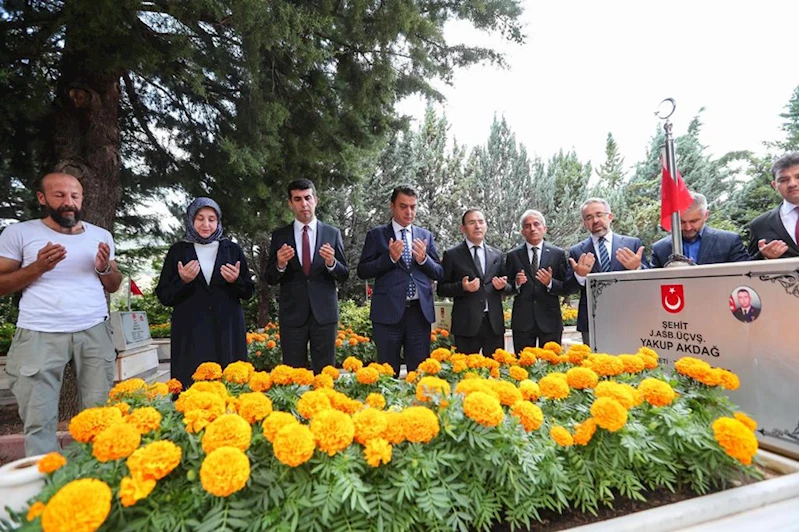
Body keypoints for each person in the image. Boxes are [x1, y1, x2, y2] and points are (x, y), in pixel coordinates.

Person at [0, 172, 122, 456]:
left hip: (94, 331)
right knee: (39, 421)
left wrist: (104, 268)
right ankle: (47, 487)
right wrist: (37, 268)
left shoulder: (100, 236)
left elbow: (114, 284)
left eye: (74, 196)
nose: (69, 202)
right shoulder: (19, 233)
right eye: (59, 195)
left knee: (98, 416)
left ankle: (93, 481)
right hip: (38, 332)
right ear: (42, 198)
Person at [156, 198, 254, 387]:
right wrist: (183, 281)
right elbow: (164, 295)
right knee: (190, 386)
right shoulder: (178, 251)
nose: (206, 224)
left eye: (211, 219)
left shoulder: (232, 250)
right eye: (200, 218)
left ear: (218, 222)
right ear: (191, 220)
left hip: (227, 330)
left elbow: (248, 292)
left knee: (230, 386)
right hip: (190, 332)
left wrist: (235, 282)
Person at [265, 179, 349, 373]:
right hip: (292, 315)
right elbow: (269, 278)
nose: (304, 204)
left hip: (325, 315)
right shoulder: (280, 236)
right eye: (298, 199)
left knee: (326, 375)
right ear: (290, 203)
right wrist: (280, 264)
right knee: (293, 377)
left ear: (315, 200)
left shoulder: (332, 233)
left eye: (307, 198)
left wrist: (331, 263)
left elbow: (344, 274)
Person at [357, 186, 443, 374]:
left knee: (419, 374)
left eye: (413, 207)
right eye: (403, 206)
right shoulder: (377, 235)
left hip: (419, 314)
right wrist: (388, 259)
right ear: (392, 206)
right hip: (387, 314)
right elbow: (362, 271)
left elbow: (438, 272)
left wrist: (423, 260)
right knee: (387, 373)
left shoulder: (425, 235)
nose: (409, 212)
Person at [566, 198, 648, 346]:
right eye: (589, 218)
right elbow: (568, 287)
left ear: (610, 217)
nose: (595, 220)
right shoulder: (577, 251)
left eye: (599, 214)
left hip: (628, 319)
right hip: (592, 321)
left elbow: (652, 280)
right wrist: (580, 276)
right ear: (585, 223)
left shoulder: (632, 244)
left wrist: (637, 269)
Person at [437, 209, 509, 355]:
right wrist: (462, 287)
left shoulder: (497, 255)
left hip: (493, 324)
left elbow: (508, 286)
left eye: (481, 222)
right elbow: (441, 289)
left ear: (486, 226)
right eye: (472, 222)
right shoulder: (452, 255)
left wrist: (503, 286)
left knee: (496, 371)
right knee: (467, 372)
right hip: (466, 325)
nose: (477, 226)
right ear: (463, 228)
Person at [505, 210, 568, 350]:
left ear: (544, 229)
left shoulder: (557, 254)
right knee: (524, 365)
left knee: (552, 365)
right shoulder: (513, 255)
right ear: (522, 232)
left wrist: (550, 283)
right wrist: (516, 283)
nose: (532, 229)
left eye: (536, 224)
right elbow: (506, 287)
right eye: (527, 226)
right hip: (523, 321)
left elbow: (566, 287)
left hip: (550, 320)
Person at [650, 192, 749, 267]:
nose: (688, 227)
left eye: (694, 221)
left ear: (706, 215)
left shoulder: (729, 242)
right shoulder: (660, 249)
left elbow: (746, 275)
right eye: (681, 222)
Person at [748, 152, 799, 260]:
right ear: (774, 185)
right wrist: (764, 257)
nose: (792, 184)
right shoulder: (760, 225)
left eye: (798, 177)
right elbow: (748, 269)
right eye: (783, 180)